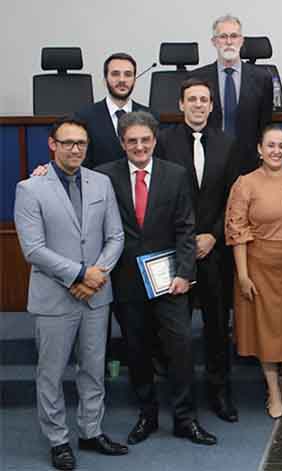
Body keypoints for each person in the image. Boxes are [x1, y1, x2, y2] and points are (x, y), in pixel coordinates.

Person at [96, 111, 216, 446]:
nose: (139, 146)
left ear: (154, 140)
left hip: (170, 282)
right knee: (137, 350)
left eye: (145, 140)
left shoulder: (174, 175)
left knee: (180, 348)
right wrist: (44, 170)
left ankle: (185, 419)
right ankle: (146, 415)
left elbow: (185, 227)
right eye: (132, 141)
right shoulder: (103, 177)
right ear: (122, 143)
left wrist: (185, 273)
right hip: (126, 281)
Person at [15, 118, 127, 470]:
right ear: (52, 144)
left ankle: (91, 431)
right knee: (51, 374)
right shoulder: (30, 189)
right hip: (54, 297)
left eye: (81, 143)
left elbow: (116, 237)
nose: (75, 149)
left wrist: (96, 274)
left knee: (93, 369)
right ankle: (58, 440)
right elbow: (33, 249)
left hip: (96, 295)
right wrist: (79, 274)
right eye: (68, 143)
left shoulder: (101, 183)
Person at [156, 78, 239, 422]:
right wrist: (188, 241)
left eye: (204, 99)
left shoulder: (228, 142)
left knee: (217, 326)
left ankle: (220, 393)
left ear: (212, 105)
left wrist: (214, 235)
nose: (198, 105)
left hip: (214, 251)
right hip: (177, 251)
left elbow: (233, 197)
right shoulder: (163, 141)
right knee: (176, 329)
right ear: (181, 104)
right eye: (192, 99)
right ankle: (181, 396)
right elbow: (162, 196)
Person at [225, 125, 282, 420]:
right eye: (270, 145)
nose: (276, 151)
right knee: (267, 332)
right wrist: (243, 275)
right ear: (260, 150)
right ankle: (273, 391)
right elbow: (237, 231)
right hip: (258, 268)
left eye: (281, 146)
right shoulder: (245, 184)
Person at [189, 14, 273, 175]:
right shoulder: (197, 78)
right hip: (208, 160)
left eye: (234, 36)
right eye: (223, 36)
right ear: (214, 42)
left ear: (241, 41)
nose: (229, 42)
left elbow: (265, 125)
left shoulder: (262, 79)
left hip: (249, 162)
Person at [76, 53, 154, 168]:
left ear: (134, 80)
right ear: (105, 79)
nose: (122, 80)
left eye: (128, 75)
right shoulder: (85, 117)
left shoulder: (150, 115)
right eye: (115, 74)